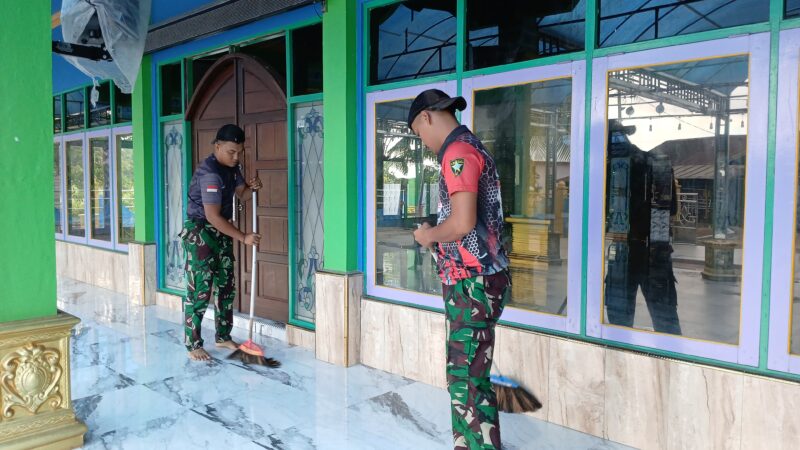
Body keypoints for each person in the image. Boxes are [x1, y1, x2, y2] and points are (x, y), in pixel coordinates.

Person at [410, 89, 510, 450]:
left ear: (426, 117)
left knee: (464, 378)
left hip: (473, 283)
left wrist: (427, 236)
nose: (423, 142)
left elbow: (463, 222)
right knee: (472, 376)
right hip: (480, 279)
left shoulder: (457, 153)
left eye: (418, 134)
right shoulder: (472, 147)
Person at [180, 124, 263, 361]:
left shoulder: (233, 166)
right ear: (217, 146)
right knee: (200, 290)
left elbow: (242, 194)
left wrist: (252, 188)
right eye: (231, 152)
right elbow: (212, 216)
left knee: (226, 286)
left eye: (240, 152)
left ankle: (223, 336)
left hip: (221, 232)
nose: (236, 157)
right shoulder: (210, 173)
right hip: (201, 233)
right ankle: (193, 343)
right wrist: (244, 237)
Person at [604, 120, 681, 334]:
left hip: (628, 251)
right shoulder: (656, 163)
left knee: (620, 324)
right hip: (653, 250)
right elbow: (672, 209)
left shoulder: (610, 168)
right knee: (665, 320)